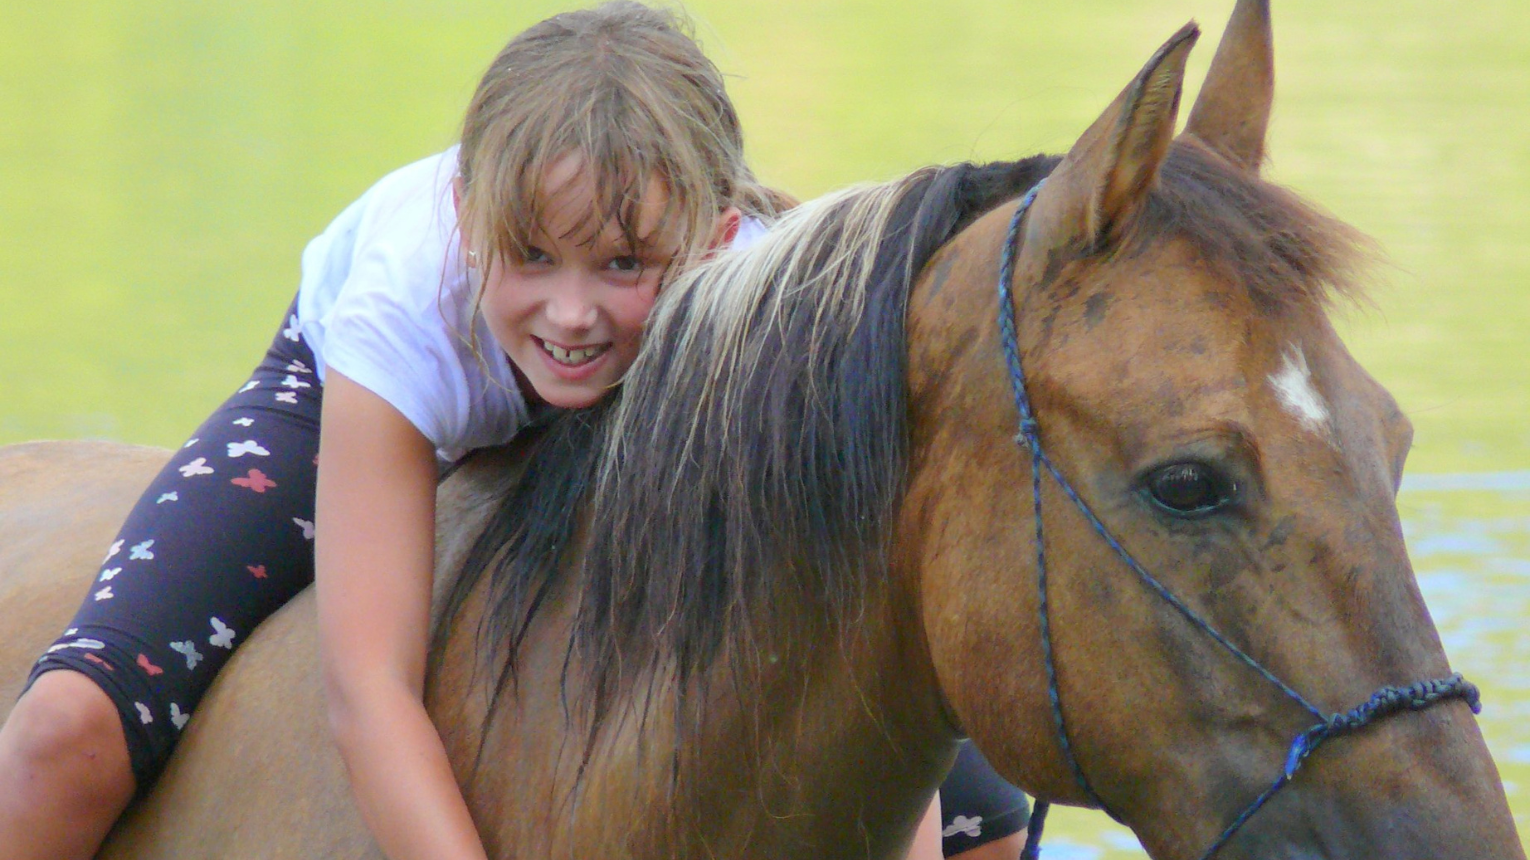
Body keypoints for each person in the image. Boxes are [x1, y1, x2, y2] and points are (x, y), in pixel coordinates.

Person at [0, 3, 1025, 858]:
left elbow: (847, 653)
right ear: (470, 217)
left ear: (714, 240)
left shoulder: (760, 324)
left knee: (986, 812)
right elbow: (369, 689)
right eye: (531, 255)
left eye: (624, 264)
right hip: (343, 386)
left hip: (655, 395)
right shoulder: (406, 301)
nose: (571, 313)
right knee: (68, 725)